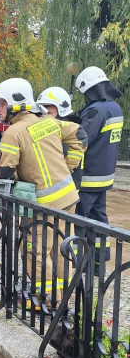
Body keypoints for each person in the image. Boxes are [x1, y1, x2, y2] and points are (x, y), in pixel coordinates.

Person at [0, 78, 85, 303]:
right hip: (68, 197)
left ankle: (48, 301)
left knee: (35, 252)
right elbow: (80, 135)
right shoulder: (49, 122)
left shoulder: (13, 132)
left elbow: (4, 174)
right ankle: (63, 300)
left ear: (14, 102)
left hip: (44, 204)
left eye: (2, 103)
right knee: (59, 247)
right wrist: (69, 166)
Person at [74, 67, 125, 262]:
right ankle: (99, 261)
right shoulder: (115, 107)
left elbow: (82, 139)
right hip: (105, 176)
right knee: (99, 219)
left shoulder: (96, 109)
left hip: (87, 176)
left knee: (78, 219)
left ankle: (77, 263)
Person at [37, 86, 88, 188]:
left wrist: (64, 172)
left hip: (65, 186)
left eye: (48, 107)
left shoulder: (67, 130)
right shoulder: (60, 126)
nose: (44, 112)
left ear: (60, 107)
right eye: (42, 107)